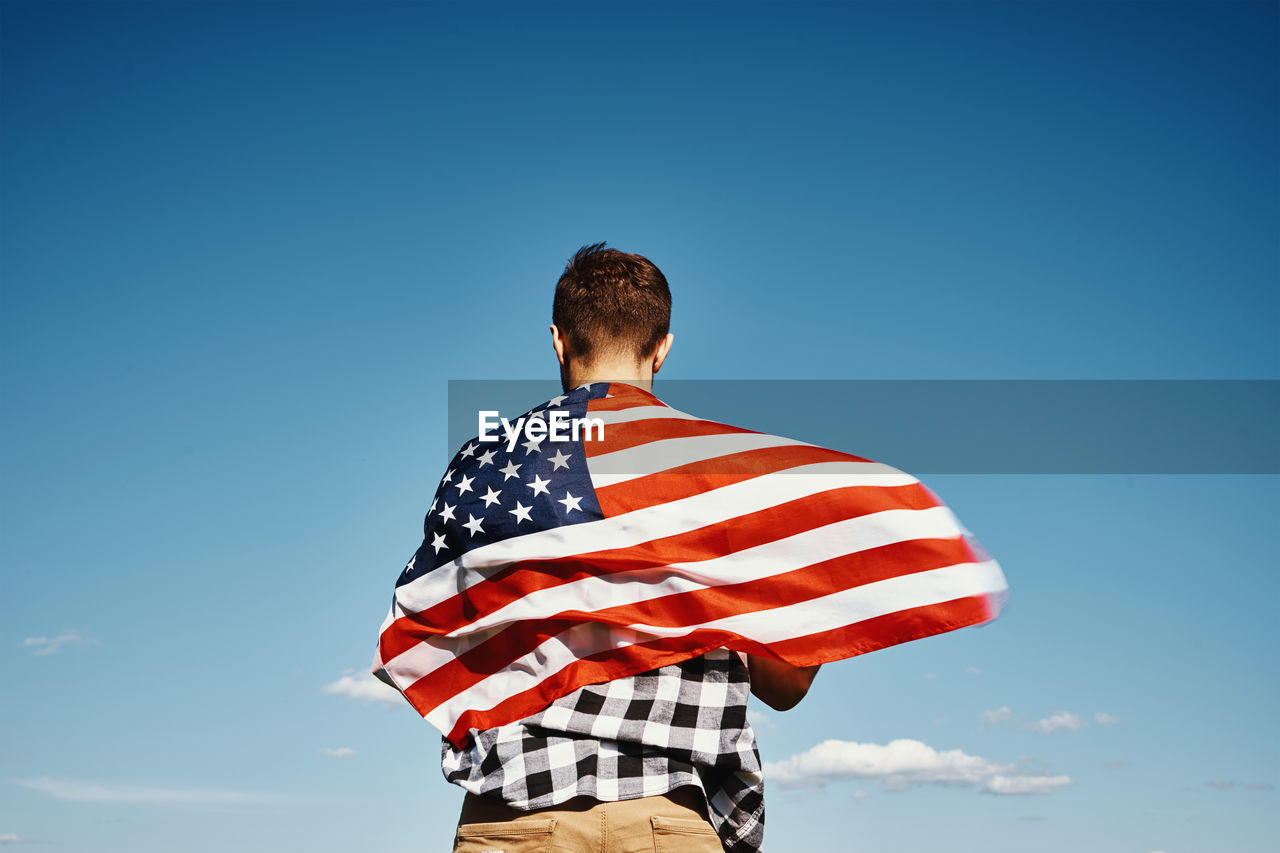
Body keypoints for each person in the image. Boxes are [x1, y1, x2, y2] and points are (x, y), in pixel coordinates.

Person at [441, 243, 820, 853]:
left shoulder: (481, 467)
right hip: (666, 821)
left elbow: (440, 639)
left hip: (512, 819)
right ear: (662, 347)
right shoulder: (726, 478)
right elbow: (786, 684)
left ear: (559, 340)